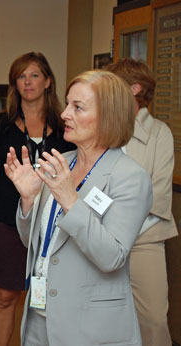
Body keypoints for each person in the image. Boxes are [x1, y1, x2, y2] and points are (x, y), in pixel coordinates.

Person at [4, 70, 152, 346]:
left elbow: (112, 257)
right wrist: (28, 200)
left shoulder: (130, 177)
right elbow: (35, 243)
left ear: (108, 116)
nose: (64, 114)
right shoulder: (61, 163)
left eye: (78, 107)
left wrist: (70, 200)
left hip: (90, 326)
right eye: (68, 104)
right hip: (39, 315)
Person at [0, 52, 75, 346]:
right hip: (9, 221)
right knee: (5, 296)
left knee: (46, 299)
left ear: (48, 81)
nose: (27, 82)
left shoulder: (64, 129)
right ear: (14, 84)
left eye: (34, 75)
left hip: (54, 227)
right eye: (21, 76)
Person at [106, 58, 178, 346]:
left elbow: (157, 196)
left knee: (153, 321)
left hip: (145, 240)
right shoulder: (103, 128)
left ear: (135, 89)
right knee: (107, 318)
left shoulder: (160, 133)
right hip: (100, 238)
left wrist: (122, 233)